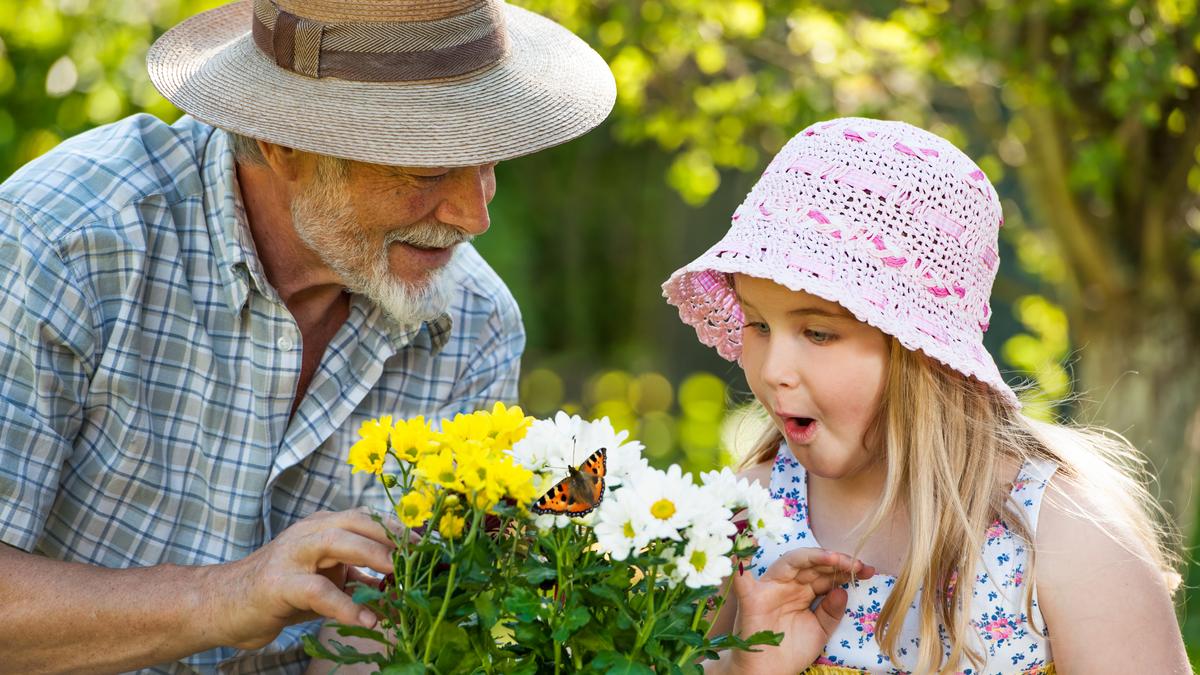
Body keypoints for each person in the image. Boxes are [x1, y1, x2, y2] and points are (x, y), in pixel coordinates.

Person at [0, 0, 614, 672]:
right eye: (429, 171)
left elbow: (386, 635)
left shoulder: (472, 323)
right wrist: (229, 595)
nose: (475, 215)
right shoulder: (67, 243)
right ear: (285, 144)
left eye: (488, 160)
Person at [662, 117, 1189, 674]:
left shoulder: (1063, 539)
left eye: (818, 332)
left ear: (922, 353)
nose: (772, 370)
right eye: (757, 325)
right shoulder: (745, 521)